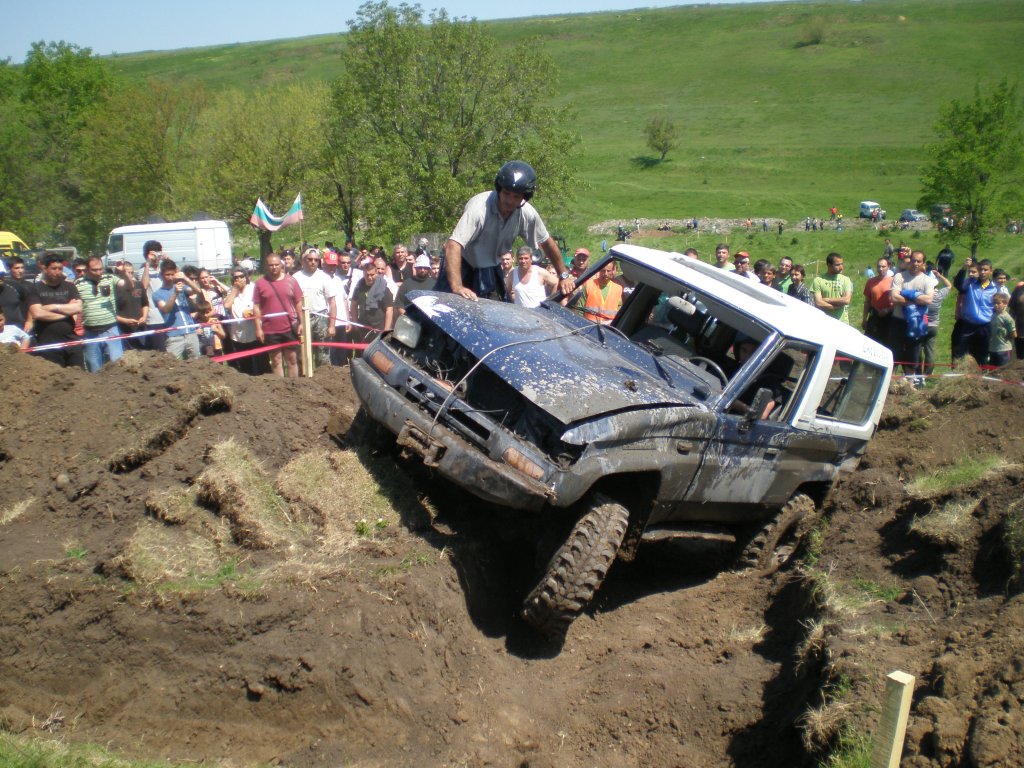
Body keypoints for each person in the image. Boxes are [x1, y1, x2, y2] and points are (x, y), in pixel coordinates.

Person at [436, 160, 573, 301]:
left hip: (490, 267)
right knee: (442, 308)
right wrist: (457, 287)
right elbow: (453, 245)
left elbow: (546, 242)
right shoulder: (479, 209)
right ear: (499, 189)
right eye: (506, 193)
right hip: (461, 264)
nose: (509, 200)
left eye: (516, 196)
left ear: (525, 197)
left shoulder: (527, 214)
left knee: (495, 311)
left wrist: (563, 275)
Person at [27, 252, 84, 368]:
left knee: (79, 373)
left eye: (60, 268)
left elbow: (78, 307)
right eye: (54, 268)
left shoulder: (70, 286)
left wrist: (53, 307)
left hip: (71, 340)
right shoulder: (35, 288)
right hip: (48, 343)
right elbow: (37, 313)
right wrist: (67, 312)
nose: (57, 272)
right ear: (45, 269)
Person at [253, 253, 303, 378]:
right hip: (270, 329)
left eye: (276, 264)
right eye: (271, 265)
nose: (274, 267)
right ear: (266, 266)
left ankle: (294, 385)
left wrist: (302, 322)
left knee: (292, 359)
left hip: (289, 327)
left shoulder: (291, 281)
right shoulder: (260, 283)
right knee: (276, 361)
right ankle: (280, 387)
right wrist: (258, 328)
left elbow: (298, 302)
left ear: (281, 265)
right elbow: (256, 307)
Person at [890, 250, 934, 379]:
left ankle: (909, 383)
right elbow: (894, 297)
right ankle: (891, 381)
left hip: (917, 322)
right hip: (899, 320)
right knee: (894, 353)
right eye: (913, 260)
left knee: (913, 355)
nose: (915, 263)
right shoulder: (900, 276)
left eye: (919, 261)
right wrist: (916, 300)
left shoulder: (927, 280)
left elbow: (929, 300)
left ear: (923, 263)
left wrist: (906, 296)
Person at [76, 255, 124, 372]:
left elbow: (127, 285)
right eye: (94, 270)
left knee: (117, 365)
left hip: (110, 329)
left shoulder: (110, 278)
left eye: (100, 269)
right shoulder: (78, 284)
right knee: (94, 367)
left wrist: (123, 273)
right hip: (90, 332)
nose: (98, 272)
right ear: (87, 270)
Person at [293, 247, 337, 369]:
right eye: (310, 259)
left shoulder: (325, 277)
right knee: (302, 353)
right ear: (303, 260)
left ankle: (324, 376)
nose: (313, 262)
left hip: (320, 318)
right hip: (302, 317)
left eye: (316, 260)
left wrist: (332, 325)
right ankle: (303, 377)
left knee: (323, 354)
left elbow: (332, 303)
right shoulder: (296, 278)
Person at [152, 259, 203, 361]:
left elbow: (198, 291)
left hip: (191, 332)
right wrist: (175, 293)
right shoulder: (157, 294)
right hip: (174, 336)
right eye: (167, 275)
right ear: (161, 275)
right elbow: (165, 309)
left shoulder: (181, 287)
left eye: (172, 274)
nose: (170, 277)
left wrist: (185, 278)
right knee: (172, 363)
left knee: (197, 363)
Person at [952, 258, 997, 365]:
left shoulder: (995, 288)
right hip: (969, 324)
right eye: (981, 270)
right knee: (962, 354)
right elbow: (958, 285)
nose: (983, 272)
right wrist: (964, 268)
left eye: (986, 270)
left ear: (991, 271)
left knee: (983, 354)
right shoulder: (970, 283)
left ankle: (982, 373)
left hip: (985, 326)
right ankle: (962, 373)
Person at [222, 268, 263, 375]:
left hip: (254, 333)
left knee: (261, 365)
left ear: (246, 277)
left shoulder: (254, 288)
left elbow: (263, 306)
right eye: (236, 277)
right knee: (245, 367)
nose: (239, 279)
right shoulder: (231, 291)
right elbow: (227, 305)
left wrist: (252, 312)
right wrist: (235, 290)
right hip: (238, 336)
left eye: (241, 276)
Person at [349, 260, 394, 346]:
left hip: (379, 328)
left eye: (372, 275)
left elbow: (389, 310)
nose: (369, 277)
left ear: (376, 273)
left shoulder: (384, 289)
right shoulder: (359, 287)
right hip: (363, 327)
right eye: (367, 275)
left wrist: (386, 330)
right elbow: (353, 305)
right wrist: (355, 322)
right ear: (363, 274)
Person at [922, 266, 952, 376]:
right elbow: (949, 285)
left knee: (918, 349)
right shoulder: (939, 295)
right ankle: (928, 373)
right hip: (933, 326)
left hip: (922, 324)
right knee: (930, 351)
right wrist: (940, 275)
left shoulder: (922, 295)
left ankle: (917, 372)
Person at [138, 240, 167, 352]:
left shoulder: (164, 269)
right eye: (153, 253)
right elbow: (143, 286)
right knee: (160, 351)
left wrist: (167, 260)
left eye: (158, 252)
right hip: (155, 317)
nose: (156, 256)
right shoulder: (143, 270)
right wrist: (148, 264)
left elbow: (178, 276)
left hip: (168, 314)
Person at [113, 259, 147, 350]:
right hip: (123, 329)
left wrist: (144, 316)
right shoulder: (115, 289)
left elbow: (145, 303)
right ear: (121, 274)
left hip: (139, 327)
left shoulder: (138, 285)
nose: (131, 275)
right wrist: (125, 321)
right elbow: (111, 313)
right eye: (128, 273)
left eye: (132, 272)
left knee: (143, 353)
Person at [810, 253, 853, 324]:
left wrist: (827, 300)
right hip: (824, 322)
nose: (841, 267)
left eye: (842, 264)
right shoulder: (818, 280)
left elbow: (846, 300)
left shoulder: (846, 280)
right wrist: (835, 307)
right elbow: (818, 303)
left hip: (842, 322)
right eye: (837, 265)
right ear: (829, 265)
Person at [862, 257, 894, 349]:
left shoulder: (893, 281)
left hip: (889, 316)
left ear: (888, 267)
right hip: (874, 315)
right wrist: (864, 318)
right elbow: (867, 301)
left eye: (883, 266)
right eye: (879, 266)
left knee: (886, 344)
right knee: (869, 342)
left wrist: (888, 310)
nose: (880, 269)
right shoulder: (870, 281)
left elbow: (898, 302)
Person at [988, 292, 1015, 368]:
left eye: (998, 303)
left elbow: (1014, 334)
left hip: (1004, 349)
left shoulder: (1007, 318)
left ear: (1005, 304)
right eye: (994, 303)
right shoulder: (993, 316)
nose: (996, 305)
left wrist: (1005, 335)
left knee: (1003, 371)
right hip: (993, 349)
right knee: (993, 371)